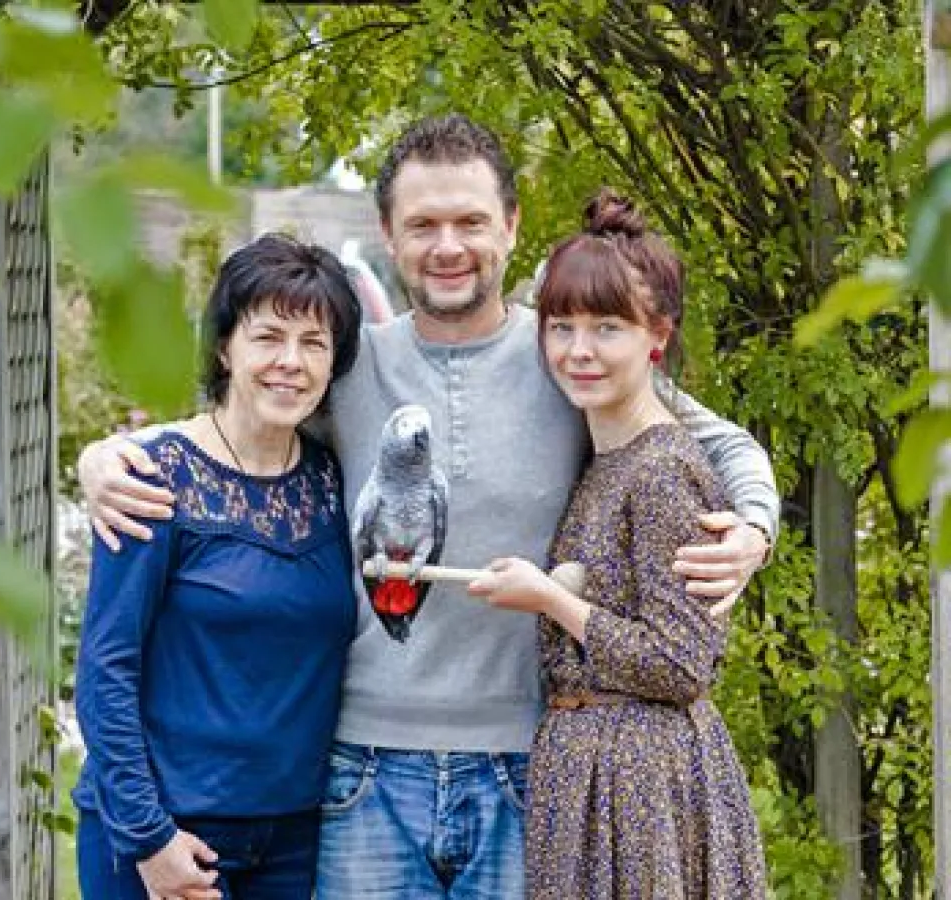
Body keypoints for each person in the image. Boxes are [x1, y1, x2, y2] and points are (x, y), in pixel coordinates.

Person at [77, 114, 779, 900]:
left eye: (471, 221)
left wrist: (754, 526)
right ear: (387, 232)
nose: (449, 245)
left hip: (525, 767)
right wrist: (106, 458)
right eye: (423, 224)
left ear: (511, 227)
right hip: (363, 773)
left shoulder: (566, 353)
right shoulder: (343, 364)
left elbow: (716, 441)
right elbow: (236, 418)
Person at [468, 190, 767, 897]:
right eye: (562, 327)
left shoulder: (662, 468)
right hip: (590, 776)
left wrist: (549, 600)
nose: (579, 351)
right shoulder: (607, 457)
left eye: (607, 328)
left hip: (644, 787)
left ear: (655, 337)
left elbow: (679, 663)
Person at [72, 234, 363, 900]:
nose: (290, 362)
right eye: (269, 337)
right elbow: (105, 670)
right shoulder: (152, 478)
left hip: (292, 839)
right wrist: (150, 839)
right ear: (226, 347)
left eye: (314, 344)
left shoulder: (331, 482)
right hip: (164, 835)